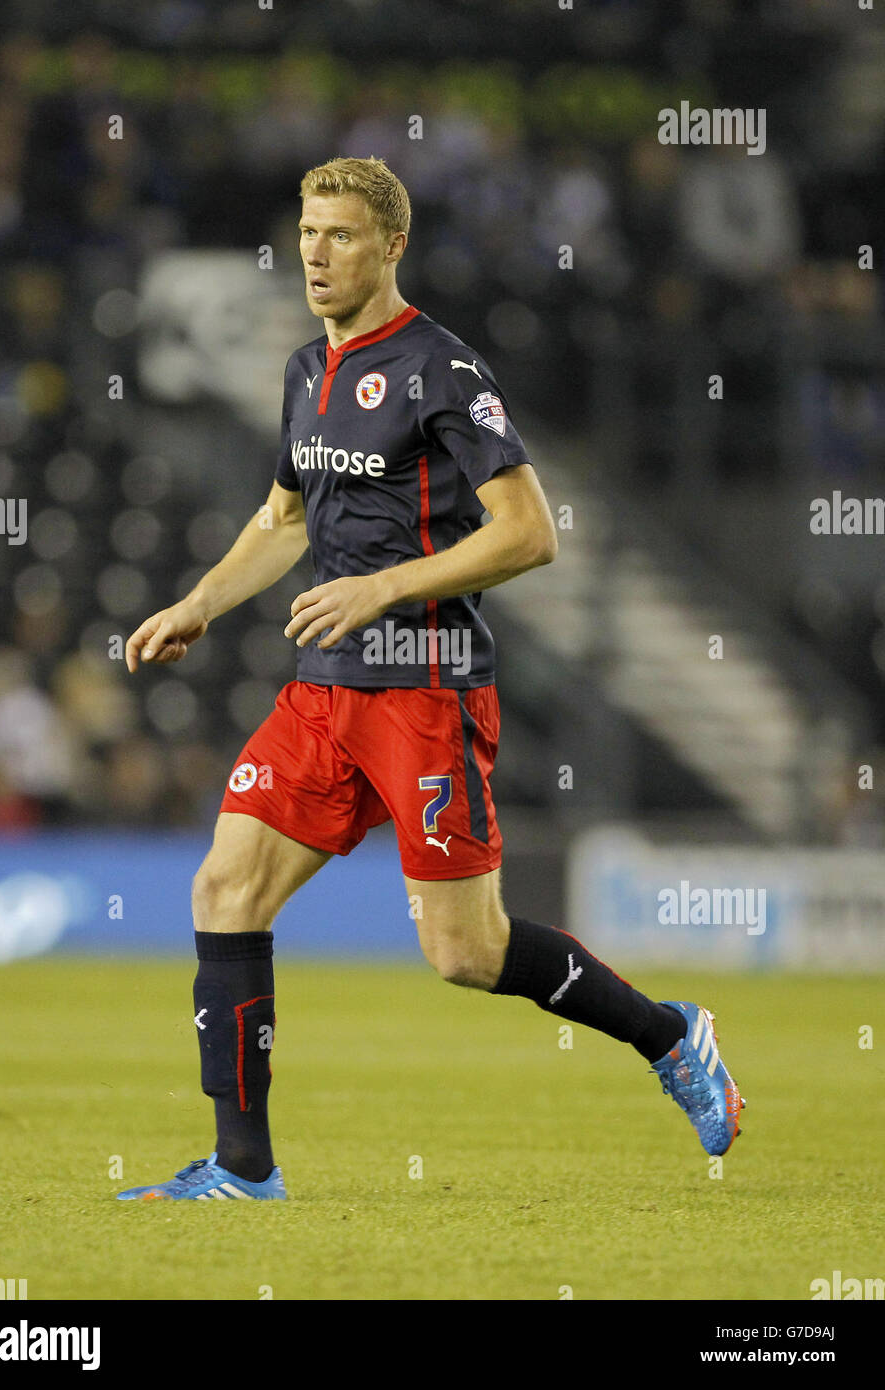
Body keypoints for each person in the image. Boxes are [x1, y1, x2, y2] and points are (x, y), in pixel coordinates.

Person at [118, 156, 743, 1201]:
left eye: (343, 236)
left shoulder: (441, 372)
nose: (318, 255)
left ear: (392, 245)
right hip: (323, 690)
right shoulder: (303, 372)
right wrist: (199, 602)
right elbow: (283, 520)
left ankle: (671, 1035)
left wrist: (384, 590)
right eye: (309, 234)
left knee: (464, 951)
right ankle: (243, 1166)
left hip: (426, 687)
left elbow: (531, 534)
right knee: (224, 887)